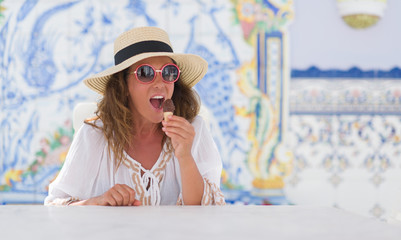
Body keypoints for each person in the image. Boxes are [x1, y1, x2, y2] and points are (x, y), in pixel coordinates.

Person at [44, 26, 225, 206]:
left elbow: (206, 212)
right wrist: (97, 202)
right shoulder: (94, 136)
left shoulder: (195, 130)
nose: (160, 84)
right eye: (145, 73)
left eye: (168, 72)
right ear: (123, 86)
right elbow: (55, 205)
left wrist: (185, 156)